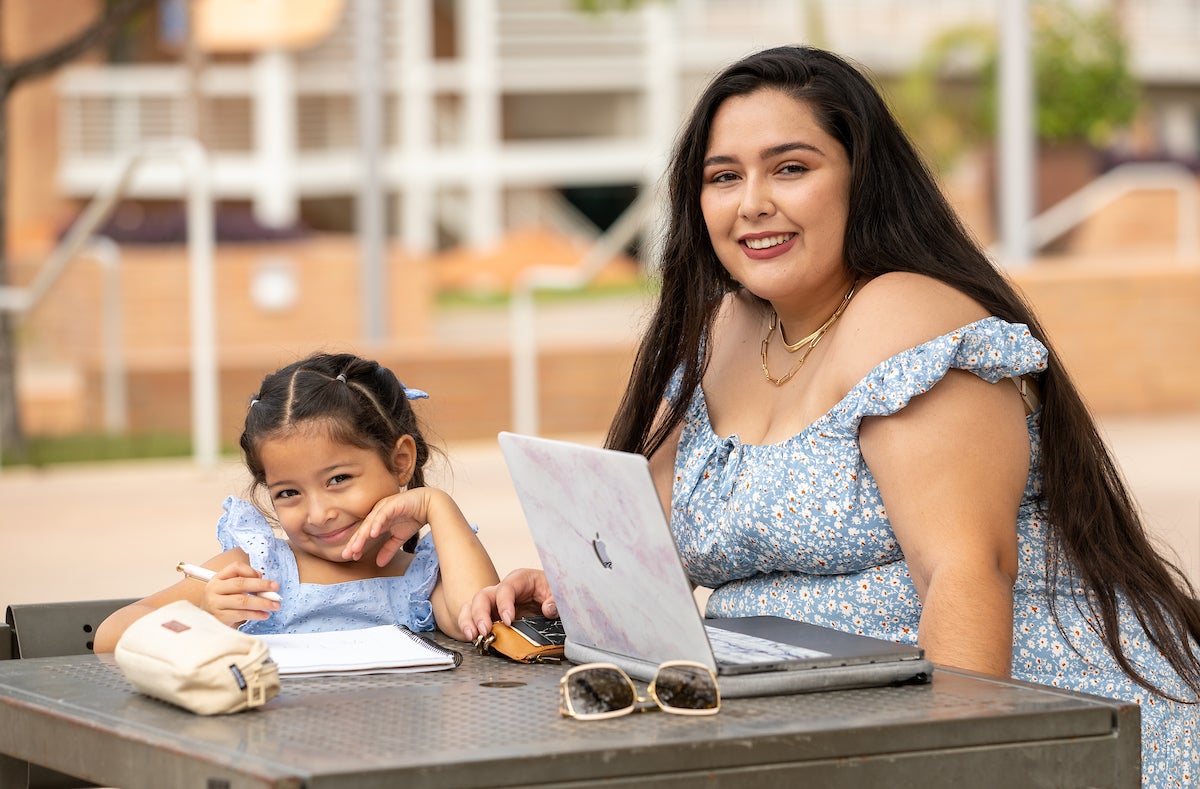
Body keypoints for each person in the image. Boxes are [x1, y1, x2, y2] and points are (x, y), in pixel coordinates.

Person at [461, 46, 1200, 785]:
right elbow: (644, 550)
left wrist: (948, 770)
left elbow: (968, 572)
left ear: (861, 180)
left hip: (1016, 720)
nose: (753, 201)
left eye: (791, 168)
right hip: (804, 720)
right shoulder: (721, 331)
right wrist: (564, 587)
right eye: (724, 177)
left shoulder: (903, 315)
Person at [96, 352, 499, 650]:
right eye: (289, 493)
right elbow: (111, 634)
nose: (319, 514)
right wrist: (203, 614)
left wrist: (436, 506)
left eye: (339, 479)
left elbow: (482, 623)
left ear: (400, 462)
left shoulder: (424, 580)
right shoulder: (256, 572)